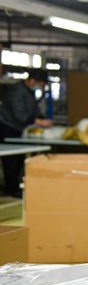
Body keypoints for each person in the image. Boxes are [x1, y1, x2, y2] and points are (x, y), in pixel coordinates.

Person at [0, 69, 52, 197]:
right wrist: (38, 121)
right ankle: (10, 189)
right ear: (32, 81)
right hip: (8, 128)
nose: (38, 87)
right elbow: (20, 115)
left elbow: (34, 110)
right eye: (39, 84)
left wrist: (41, 118)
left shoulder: (29, 92)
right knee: (11, 161)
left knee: (19, 159)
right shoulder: (17, 91)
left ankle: (15, 186)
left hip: (18, 130)